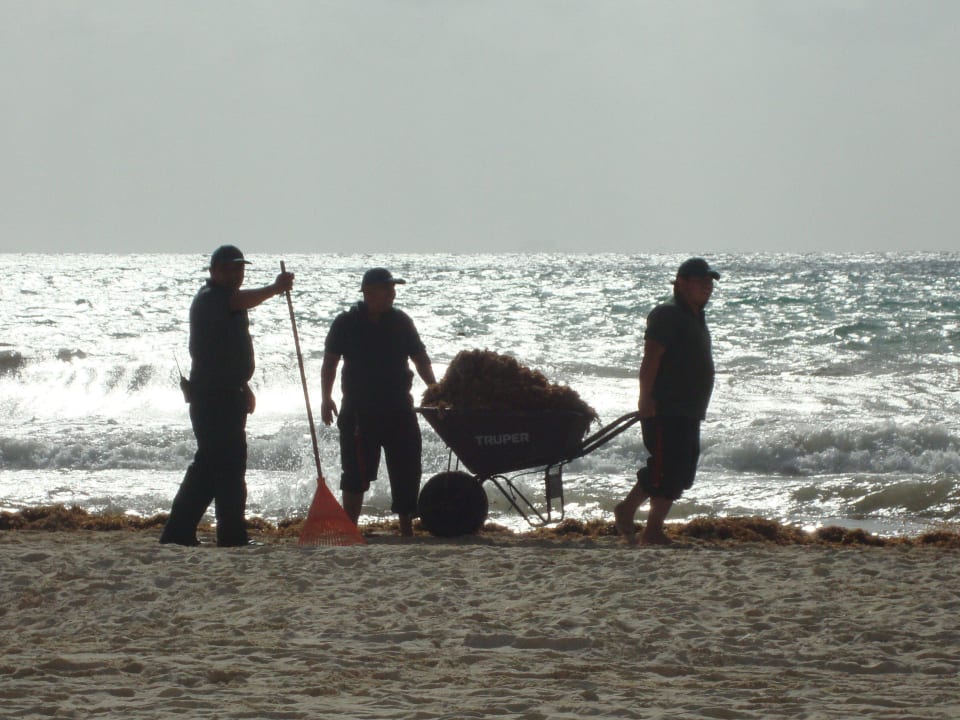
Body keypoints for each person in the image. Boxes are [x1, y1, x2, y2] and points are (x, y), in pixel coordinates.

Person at [160, 245, 294, 547]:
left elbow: (226, 352)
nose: (236, 274)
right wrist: (275, 288)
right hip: (212, 398)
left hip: (227, 394)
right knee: (225, 469)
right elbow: (240, 301)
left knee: (213, 468)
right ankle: (228, 535)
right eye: (229, 269)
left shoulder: (230, 301)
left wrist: (244, 385)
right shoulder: (211, 299)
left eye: (239, 269)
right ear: (214, 271)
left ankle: (182, 532)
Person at [320, 268, 436, 536]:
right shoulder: (346, 323)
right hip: (359, 410)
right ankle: (350, 527)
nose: (392, 294)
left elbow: (420, 358)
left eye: (394, 289)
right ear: (369, 293)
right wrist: (326, 398)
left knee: (407, 467)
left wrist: (435, 389)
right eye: (388, 289)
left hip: (398, 407)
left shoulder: (401, 322)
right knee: (355, 472)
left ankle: (406, 528)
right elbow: (330, 363)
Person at [614, 257, 719, 545]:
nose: (707, 288)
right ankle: (649, 529)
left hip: (688, 410)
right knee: (664, 469)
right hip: (665, 408)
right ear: (681, 283)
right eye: (701, 282)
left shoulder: (694, 316)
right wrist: (645, 398)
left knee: (681, 472)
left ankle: (634, 515)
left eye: (710, 283)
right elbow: (651, 358)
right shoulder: (668, 314)